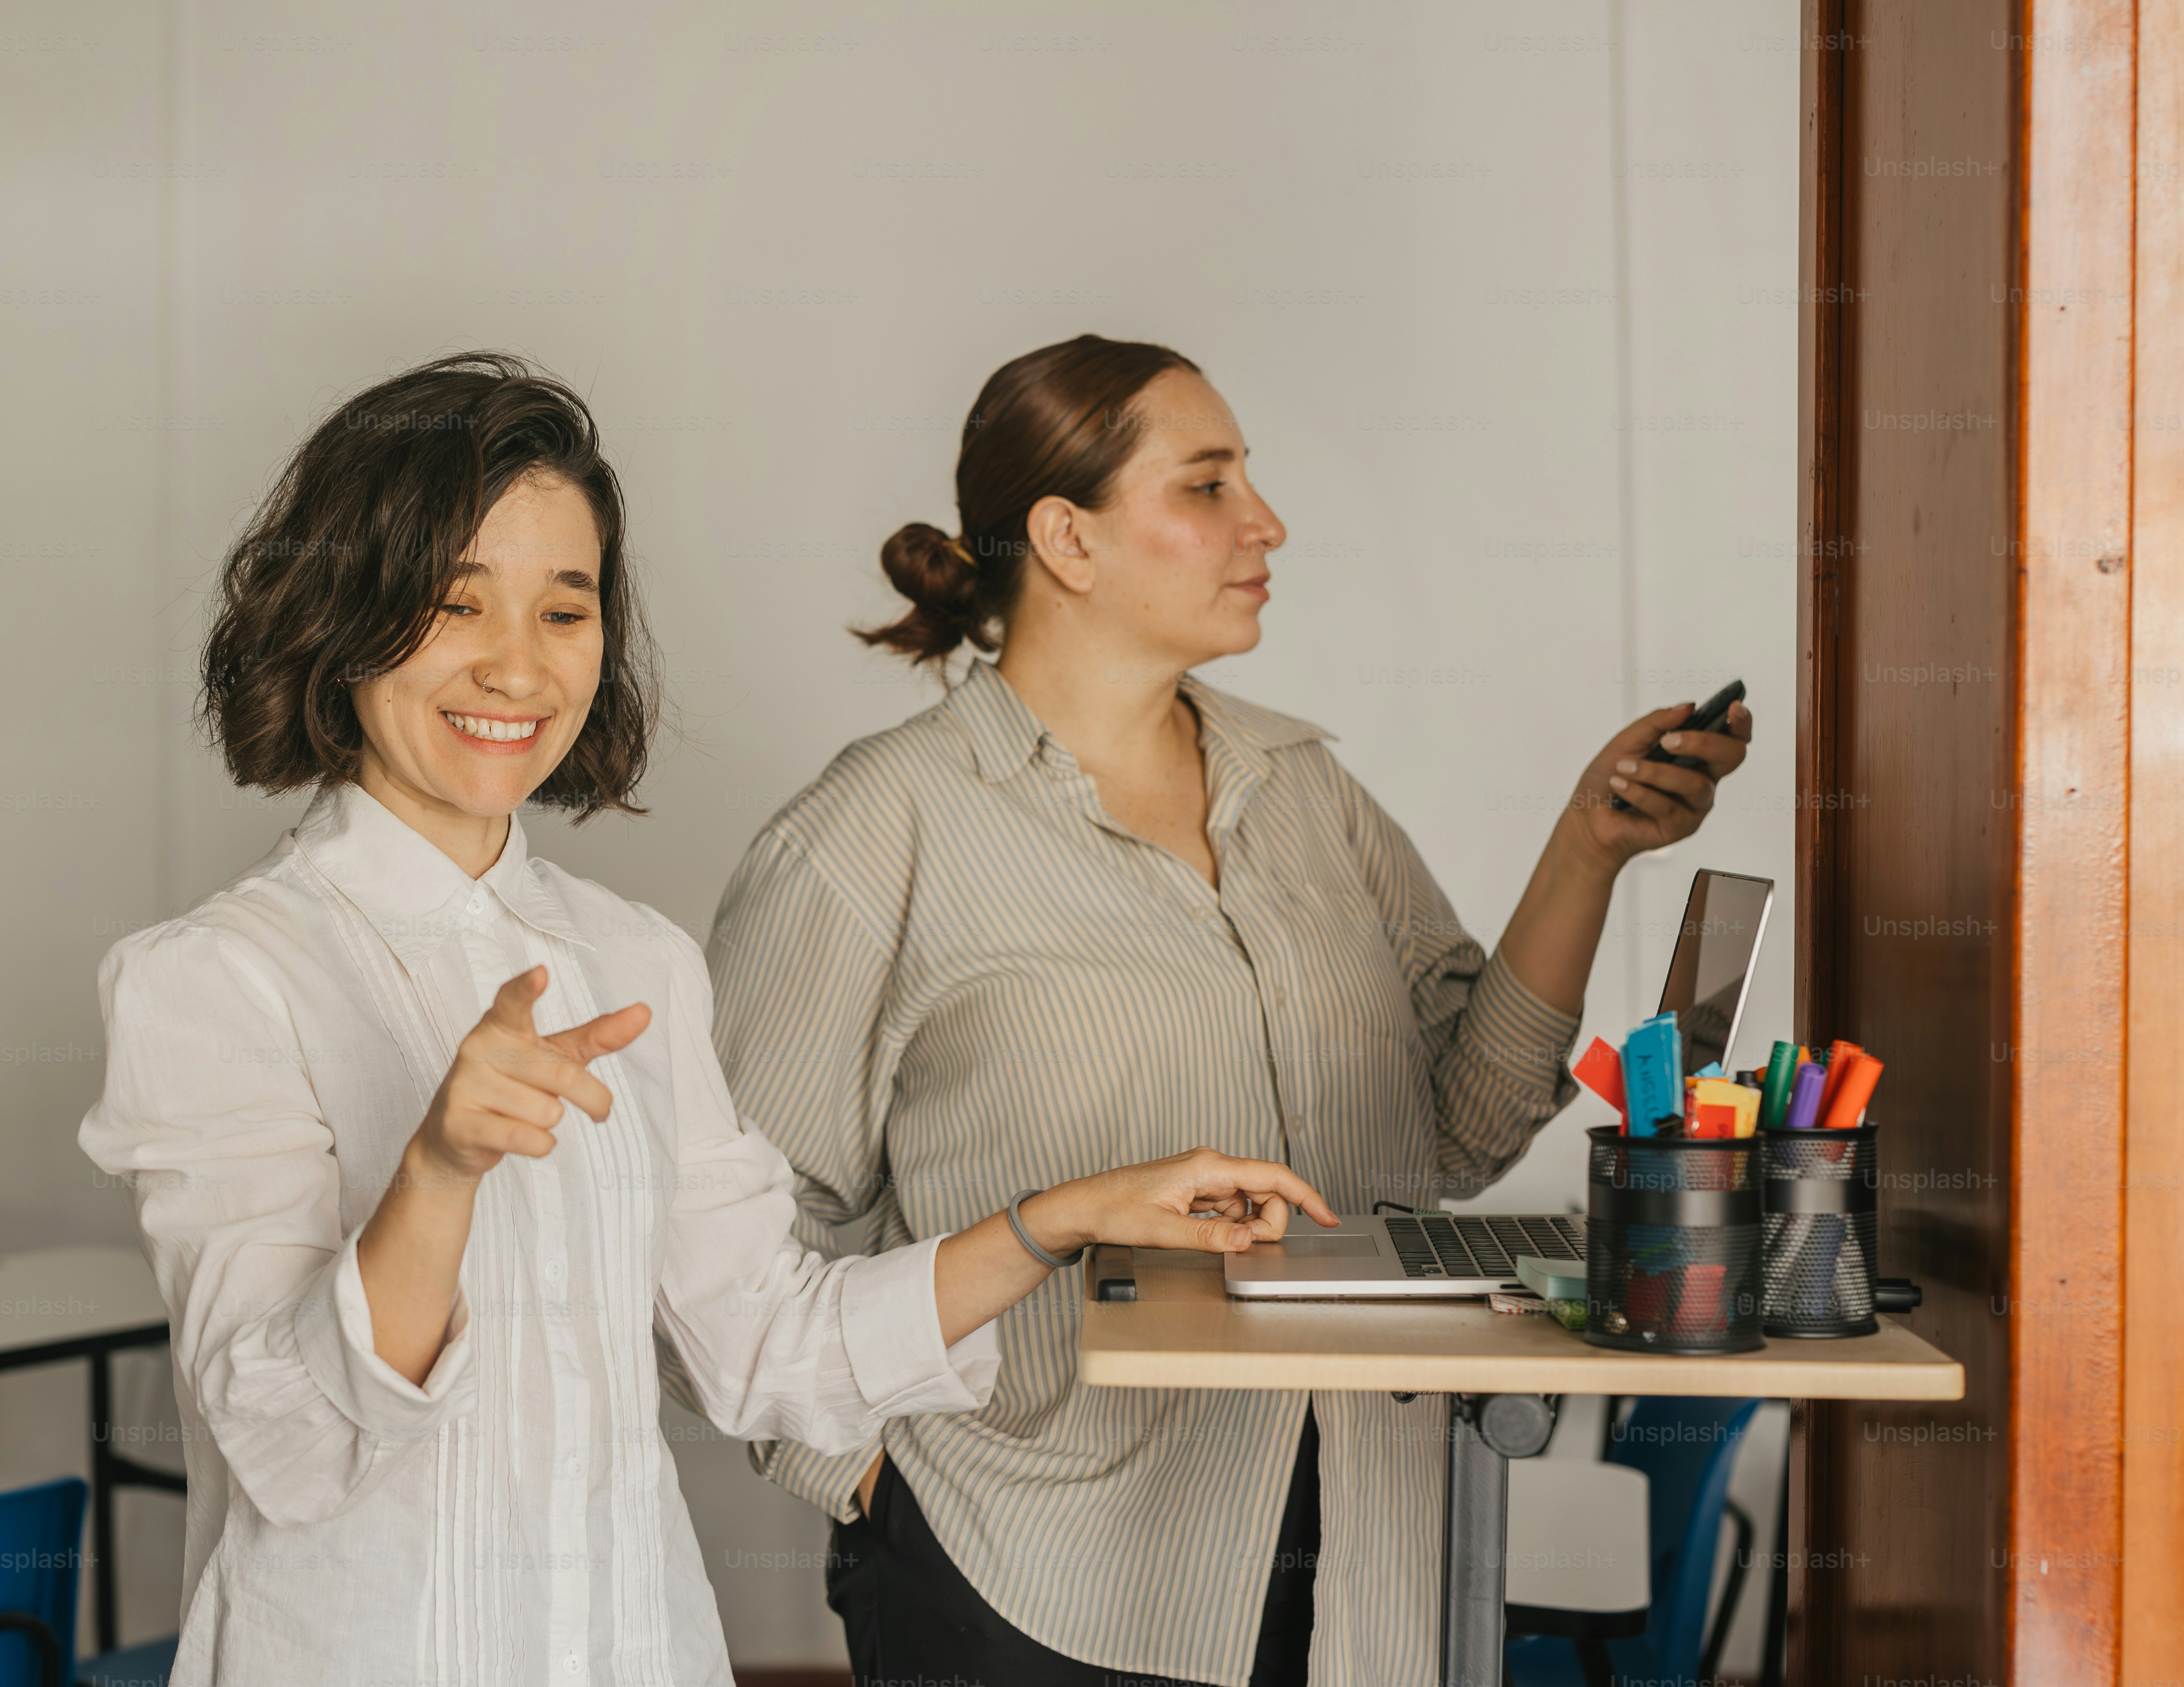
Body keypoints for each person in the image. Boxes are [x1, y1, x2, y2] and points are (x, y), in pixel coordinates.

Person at [76, 351, 1341, 1687]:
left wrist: (1057, 1220)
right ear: (343, 618)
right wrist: (439, 1173)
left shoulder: (636, 962)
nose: (517, 667)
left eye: (566, 613)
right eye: (456, 605)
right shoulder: (215, 978)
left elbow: (762, 1349)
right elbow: (282, 1441)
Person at [703, 335, 1753, 1685]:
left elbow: (1459, 1131)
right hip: (1036, 1573)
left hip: (1368, 1548)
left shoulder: (1305, 792)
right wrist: (868, 1484)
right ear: (1067, 539)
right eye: (1207, 485)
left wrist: (1588, 849)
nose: (1266, 523)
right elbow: (730, 1253)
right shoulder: (866, 841)